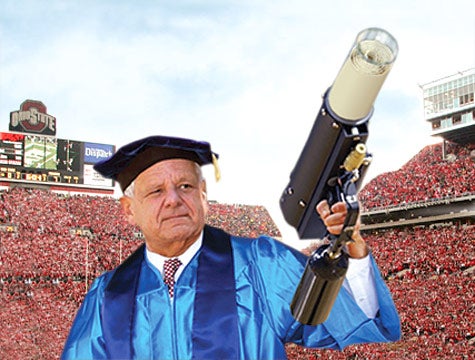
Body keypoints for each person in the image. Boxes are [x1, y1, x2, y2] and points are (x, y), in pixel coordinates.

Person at [61, 135, 400, 360]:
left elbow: (354, 323)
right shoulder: (107, 297)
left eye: (185, 186)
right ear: (129, 210)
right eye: (156, 192)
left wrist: (351, 247)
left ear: (204, 195)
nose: (174, 201)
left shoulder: (262, 265)